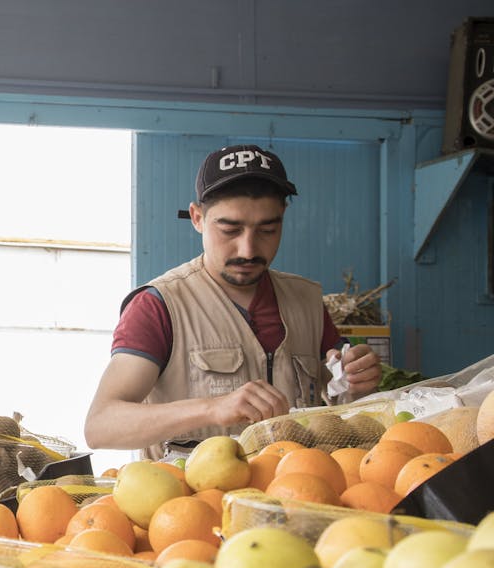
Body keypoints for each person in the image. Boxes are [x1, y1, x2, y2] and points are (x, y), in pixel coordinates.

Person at [84, 144, 381, 459]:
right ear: (198, 218)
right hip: (191, 504)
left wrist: (358, 384)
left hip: (296, 492)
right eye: (230, 229)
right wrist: (211, 409)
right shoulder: (160, 305)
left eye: (268, 229)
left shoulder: (306, 300)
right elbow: (100, 426)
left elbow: (339, 397)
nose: (248, 249)